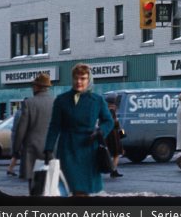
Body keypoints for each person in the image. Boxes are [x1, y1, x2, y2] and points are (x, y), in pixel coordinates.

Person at [43, 63, 113, 197]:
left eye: (83, 78)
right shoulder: (61, 100)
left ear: (88, 80)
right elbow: (54, 126)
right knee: (71, 188)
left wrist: (100, 132)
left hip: (89, 150)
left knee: (86, 190)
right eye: (76, 78)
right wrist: (48, 149)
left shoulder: (97, 100)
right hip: (68, 149)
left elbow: (108, 121)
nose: (79, 81)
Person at [13, 73, 55, 186]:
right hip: (52, 149)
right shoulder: (55, 102)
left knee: (34, 186)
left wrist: (16, 149)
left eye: (33, 86)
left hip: (32, 150)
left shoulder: (28, 103)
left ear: (37, 87)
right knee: (50, 184)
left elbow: (21, 129)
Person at [106, 103, 125, 178]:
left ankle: (114, 170)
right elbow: (113, 123)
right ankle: (113, 170)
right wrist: (117, 122)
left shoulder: (106, 110)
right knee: (116, 154)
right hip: (114, 136)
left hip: (109, 135)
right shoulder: (112, 111)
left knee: (112, 154)